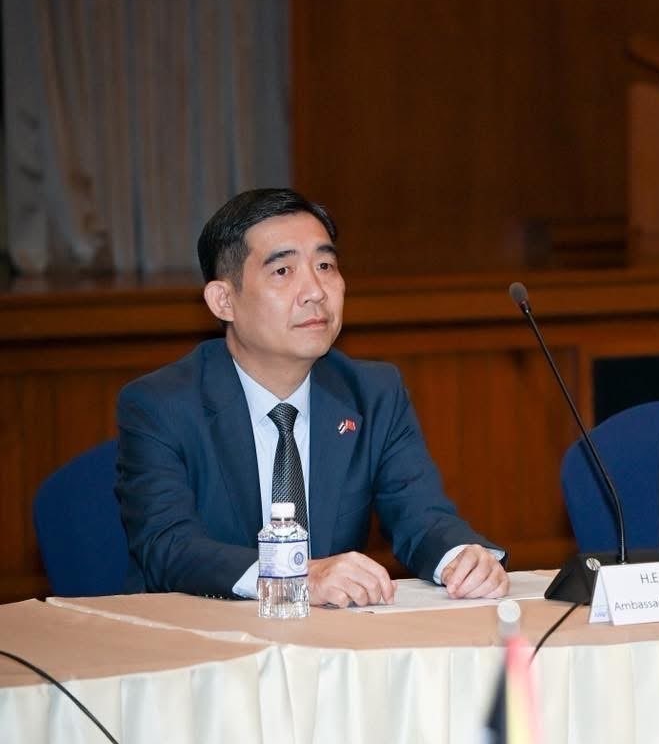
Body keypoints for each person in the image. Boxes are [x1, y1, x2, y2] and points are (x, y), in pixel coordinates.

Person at [117, 188, 508, 605]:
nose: (315, 291)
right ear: (224, 300)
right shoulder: (161, 404)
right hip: (202, 632)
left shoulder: (373, 393)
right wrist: (294, 575)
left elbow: (421, 516)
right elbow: (168, 546)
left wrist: (460, 557)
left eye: (325, 266)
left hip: (331, 634)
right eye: (283, 271)